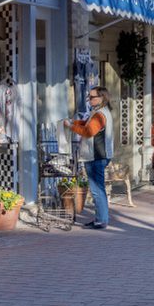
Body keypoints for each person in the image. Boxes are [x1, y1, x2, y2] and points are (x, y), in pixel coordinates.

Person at [65, 86, 113, 229]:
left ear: (101, 98)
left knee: (97, 190)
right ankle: (100, 218)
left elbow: (88, 131)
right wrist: (74, 123)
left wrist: (70, 126)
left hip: (96, 156)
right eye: (89, 97)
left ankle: (101, 220)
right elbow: (87, 125)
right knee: (98, 189)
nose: (89, 99)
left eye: (92, 97)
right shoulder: (101, 112)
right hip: (99, 155)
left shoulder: (99, 114)